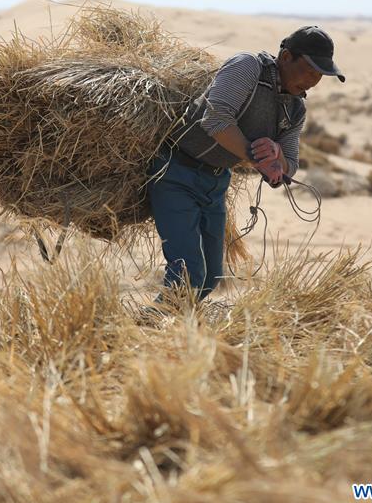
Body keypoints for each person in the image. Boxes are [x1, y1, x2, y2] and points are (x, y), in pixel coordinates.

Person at [147, 25, 346, 306]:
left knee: (210, 278)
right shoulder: (248, 67)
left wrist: (276, 157)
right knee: (187, 274)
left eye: (321, 75)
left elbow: (290, 164)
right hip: (176, 172)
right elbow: (215, 120)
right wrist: (257, 158)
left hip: (215, 184)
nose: (314, 80)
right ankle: (149, 329)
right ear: (286, 57)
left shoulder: (295, 109)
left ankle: (170, 330)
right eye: (311, 70)